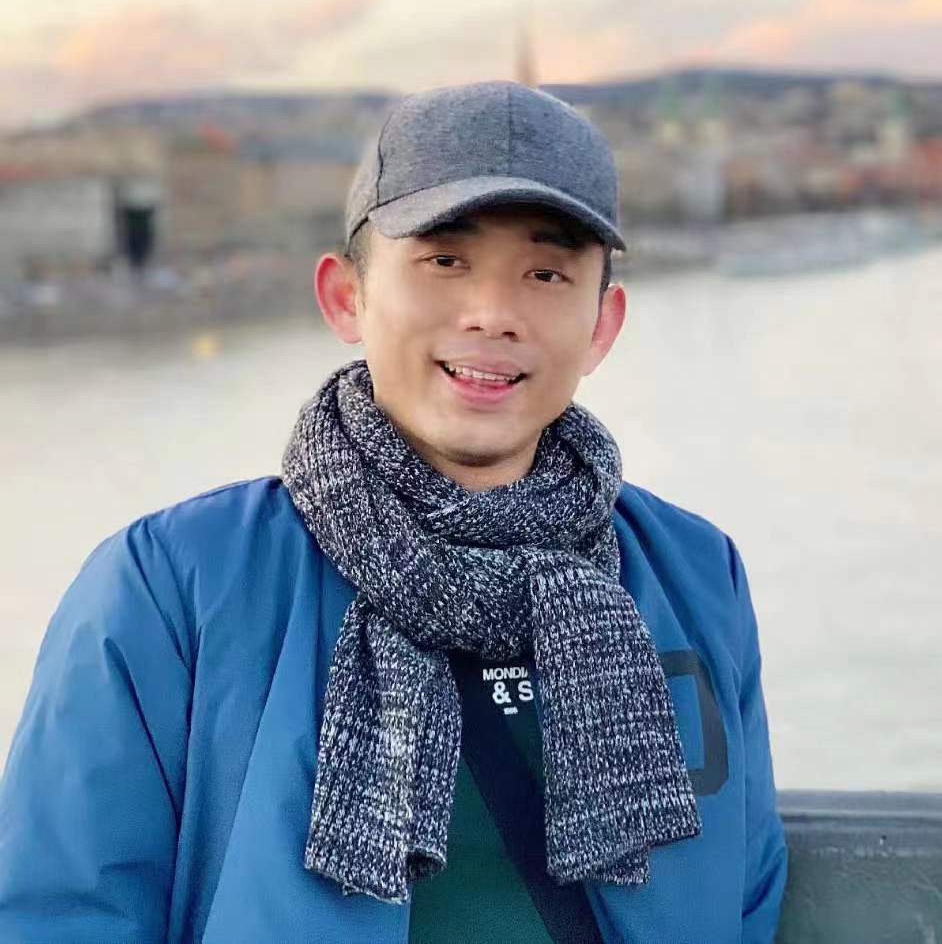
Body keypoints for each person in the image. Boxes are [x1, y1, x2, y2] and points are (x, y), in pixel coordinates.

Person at [0, 81, 787, 942]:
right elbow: (60, 915)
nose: (493, 314)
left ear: (602, 325)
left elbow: (744, 902)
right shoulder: (172, 587)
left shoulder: (697, 573)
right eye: (445, 261)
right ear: (347, 297)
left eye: (546, 273)